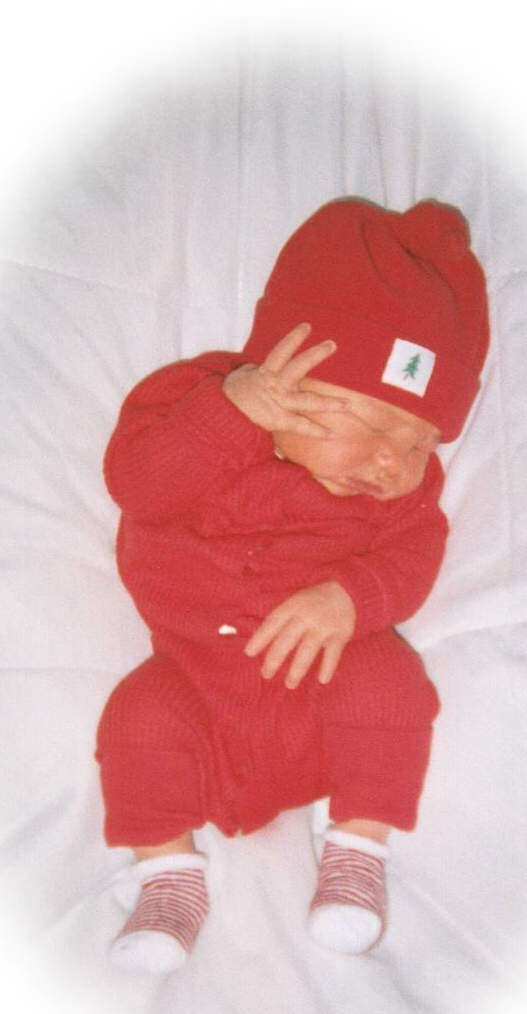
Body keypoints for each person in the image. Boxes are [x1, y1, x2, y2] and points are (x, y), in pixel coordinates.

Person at [95, 197, 489, 972]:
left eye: (417, 443)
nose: (390, 460)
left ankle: (356, 852)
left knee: (391, 684)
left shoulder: (401, 495)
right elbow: (137, 486)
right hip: (195, 683)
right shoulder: (194, 405)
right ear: (286, 375)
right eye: (370, 425)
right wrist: (227, 415)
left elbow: (415, 553)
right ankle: (168, 879)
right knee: (137, 720)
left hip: (324, 688)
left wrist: (350, 597)